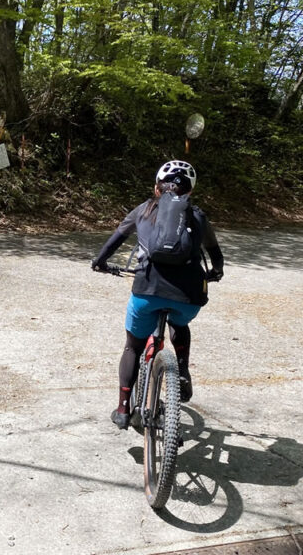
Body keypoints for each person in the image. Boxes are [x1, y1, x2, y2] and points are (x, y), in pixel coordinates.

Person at [91, 160, 224, 430]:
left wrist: (100, 262)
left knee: (132, 346)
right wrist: (216, 272)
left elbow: (116, 239)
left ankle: (123, 408)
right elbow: (215, 254)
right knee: (179, 323)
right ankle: (182, 371)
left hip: (147, 292)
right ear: (190, 192)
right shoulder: (197, 215)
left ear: (156, 188)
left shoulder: (143, 210)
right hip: (188, 297)